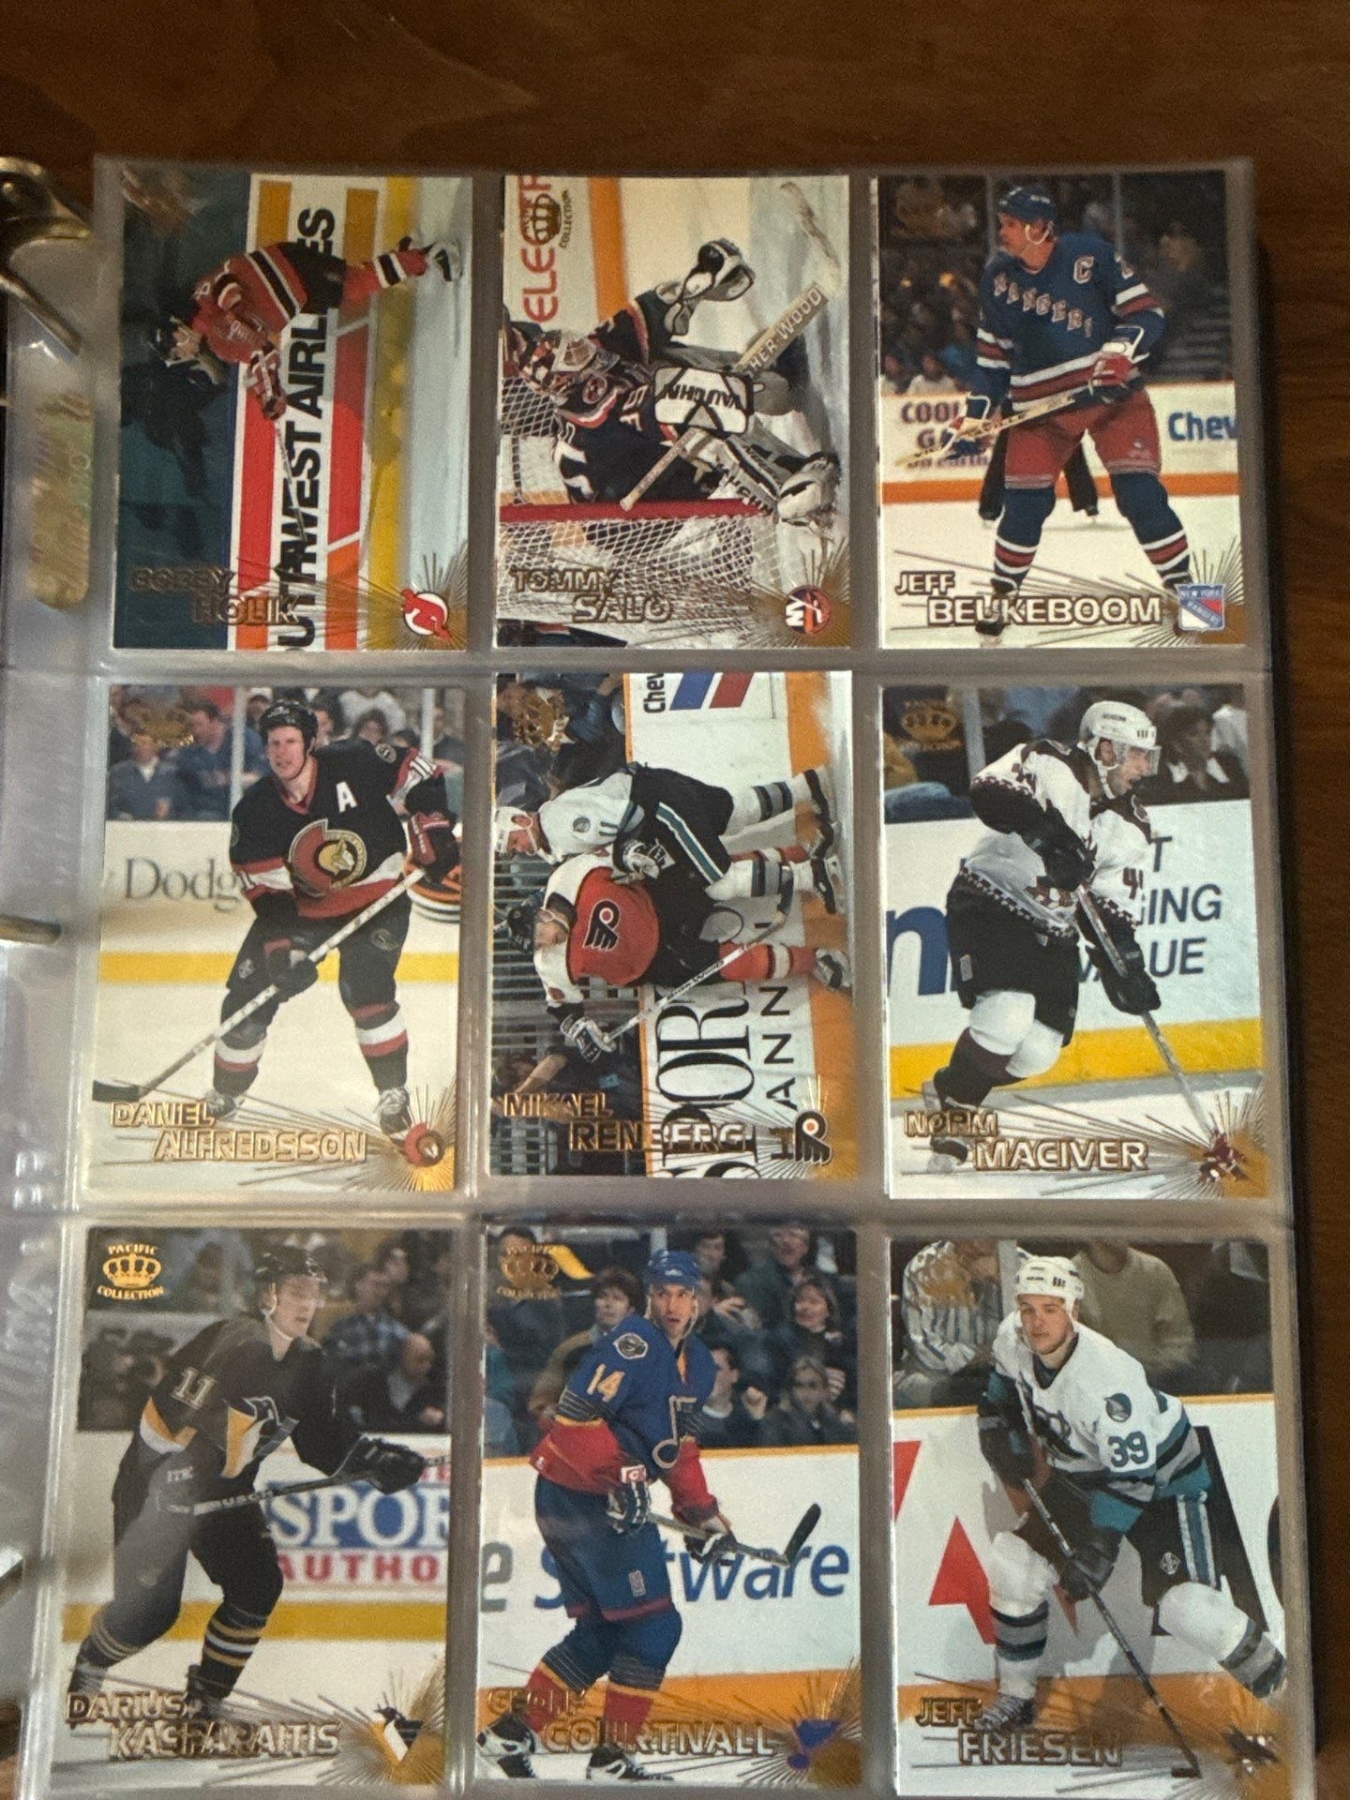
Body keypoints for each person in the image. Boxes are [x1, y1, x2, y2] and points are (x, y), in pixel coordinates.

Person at [66, 1250, 424, 1718]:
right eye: (296, 1292)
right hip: (153, 1489)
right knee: (150, 1615)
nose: (307, 1304)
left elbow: (323, 1443)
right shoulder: (234, 1341)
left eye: (313, 1294)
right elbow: (164, 1416)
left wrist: (373, 1460)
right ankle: (92, 1660)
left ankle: (206, 1701)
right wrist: (170, 1476)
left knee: (257, 1586)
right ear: (267, 1294)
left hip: (225, 1494)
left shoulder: (311, 1362)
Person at [972, 1257, 1284, 1730]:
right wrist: (996, 1421)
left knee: (1188, 1609)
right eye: (1029, 1308)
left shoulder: (1108, 1380)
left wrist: (1100, 1546)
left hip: (1163, 1482)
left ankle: (1291, 1702)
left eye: (1051, 1309)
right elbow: (1002, 1383)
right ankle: (1016, 1697)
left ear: (1073, 1311)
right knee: (1012, 1564)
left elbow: (1134, 1477)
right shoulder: (1012, 1337)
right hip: (1084, 1473)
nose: (1037, 1322)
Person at [477, 1250, 734, 1781]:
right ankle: (613, 1758)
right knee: (655, 1626)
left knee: (604, 1631)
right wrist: (623, 1477)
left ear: (700, 1302)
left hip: (584, 1497)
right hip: (584, 1496)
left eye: (684, 1295)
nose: (673, 1305)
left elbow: (678, 1447)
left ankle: (510, 1734)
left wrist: (701, 1513)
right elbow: (572, 1420)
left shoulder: (700, 1362)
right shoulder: (631, 1344)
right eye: (662, 1293)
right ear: (648, 1298)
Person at [941, 187, 1192, 642]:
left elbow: (1147, 313)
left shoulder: (1090, 256)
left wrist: (1119, 353)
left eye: (1011, 224)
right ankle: (1001, 599)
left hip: (1113, 400)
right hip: (1041, 412)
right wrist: (976, 416)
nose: (1001, 233)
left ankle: (1192, 600)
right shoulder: (997, 278)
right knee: (1023, 509)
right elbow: (993, 360)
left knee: (1142, 498)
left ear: (1040, 229)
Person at [204, 698, 460, 1138]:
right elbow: (267, 892)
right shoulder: (256, 809)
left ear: (310, 742)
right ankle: (226, 1093)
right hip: (304, 912)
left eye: (291, 741)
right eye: (274, 743)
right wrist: (282, 950)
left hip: (377, 901)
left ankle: (392, 1094)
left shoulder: (354, 760)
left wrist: (432, 826)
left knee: (368, 992)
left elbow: (418, 770)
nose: (282, 752)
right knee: (248, 1002)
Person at [922, 701, 1160, 1165]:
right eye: (1136, 754)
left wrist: (1126, 966)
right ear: (1105, 749)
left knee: (1037, 1052)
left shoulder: (1131, 825)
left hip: (1054, 928)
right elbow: (990, 792)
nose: (1146, 768)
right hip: (990, 901)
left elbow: (1109, 911)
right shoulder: (1048, 760)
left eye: (1149, 756)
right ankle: (956, 1120)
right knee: (1006, 1014)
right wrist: (1047, 836)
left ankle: (951, 1086)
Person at [504, 237, 838, 526]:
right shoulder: (593, 410)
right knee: (690, 408)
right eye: (572, 355)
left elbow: (646, 316)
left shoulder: (590, 360)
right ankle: (784, 483)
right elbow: (669, 410)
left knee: (667, 364)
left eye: (569, 343)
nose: (583, 348)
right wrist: (729, 392)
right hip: (633, 515)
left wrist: (696, 285)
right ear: (568, 381)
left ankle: (769, 382)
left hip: (634, 467)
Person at [520, 849, 851, 1066]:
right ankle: (816, 959)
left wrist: (636, 855)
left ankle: (804, 858)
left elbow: (616, 853)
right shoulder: (549, 964)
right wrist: (581, 1031)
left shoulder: (568, 878)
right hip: (655, 962)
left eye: (539, 934)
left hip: (656, 900)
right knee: (737, 963)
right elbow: (562, 1008)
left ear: (543, 914)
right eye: (537, 945)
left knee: (724, 874)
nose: (545, 944)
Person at [155, 236, 457, 421]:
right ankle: (405, 255)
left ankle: (428, 255)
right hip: (295, 296)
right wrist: (270, 395)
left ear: (177, 331)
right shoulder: (220, 346)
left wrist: (235, 310)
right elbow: (262, 354)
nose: (183, 355)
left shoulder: (203, 301)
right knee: (350, 288)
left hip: (289, 267)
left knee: (352, 284)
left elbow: (228, 283)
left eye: (176, 351)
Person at [493, 757, 839, 918]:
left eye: (514, 842)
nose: (519, 850)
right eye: (512, 850)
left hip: (657, 806)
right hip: (656, 785)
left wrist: (629, 855)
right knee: (733, 812)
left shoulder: (557, 825)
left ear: (522, 818)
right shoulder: (552, 836)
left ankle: (814, 875)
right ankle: (811, 785)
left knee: (718, 881)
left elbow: (628, 819)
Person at [894, 1239, 1009, 1407]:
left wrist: (1001, 1280)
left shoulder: (1023, 1265)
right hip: (936, 1377)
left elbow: (1029, 1346)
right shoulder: (924, 1267)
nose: (977, 1244)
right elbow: (926, 1350)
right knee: (922, 1387)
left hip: (1002, 1376)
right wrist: (984, 1357)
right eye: (971, 1236)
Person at [527, 1267, 644, 1429]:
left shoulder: (645, 1350)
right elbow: (541, 1401)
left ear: (630, 1309)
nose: (608, 1304)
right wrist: (549, 1412)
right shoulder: (571, 1349)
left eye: (617, 1299)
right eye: (603, 1297)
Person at [1073, 1242, 1197, 1382]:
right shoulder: (1070, 1278)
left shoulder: (1156, 1271)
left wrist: (1147, 1374)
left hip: (1157, 1384)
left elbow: (1181, 1344)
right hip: (1093, 1385)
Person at [175, 698, 265, 822]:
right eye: (191, 726)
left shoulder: (244, 739)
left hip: (244, 813)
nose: (196, 731)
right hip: (203, 817)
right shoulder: (188, 752)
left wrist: (229, 778)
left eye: (199, 724)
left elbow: (261, 776)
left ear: (215, 722)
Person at [342, 1331, 446, 1433]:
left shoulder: (435, 1390)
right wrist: (416, 1420)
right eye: (420, 1360)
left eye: (430, 1360)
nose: (427, 1366)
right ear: (402, 1357)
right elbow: (378, 1422)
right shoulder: (376, 1388)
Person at [322, 1262, 408, 1374]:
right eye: (375, 1285)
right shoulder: (340, 1330)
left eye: (384, 1286)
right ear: (358, 1285)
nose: (380, 1292)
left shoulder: (398, 1332)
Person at [758, 1356, 855, 1446]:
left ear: (824, 1391)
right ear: (791, 1390)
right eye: (799, 1385)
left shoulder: (835, 1424)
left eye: (812, 1386)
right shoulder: (775, 1423)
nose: (806, 1392)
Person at [735, 1224, 817, 1331]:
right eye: (778, 1235)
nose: (785, 1240)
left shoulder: (822, 1280)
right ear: (771, 1246)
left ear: (805, 1247)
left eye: (793, 1235)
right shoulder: (752, 1280)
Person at [107, 729, 186, 821]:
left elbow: (183, 806)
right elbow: (109, 805)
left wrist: (169, 811)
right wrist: (120, 816)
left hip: (163, 828)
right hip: (127, 827)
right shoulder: (119, 772)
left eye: (144, 743)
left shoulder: (172, 773)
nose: (140, 747)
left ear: (155, 746)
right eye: (136, 744)